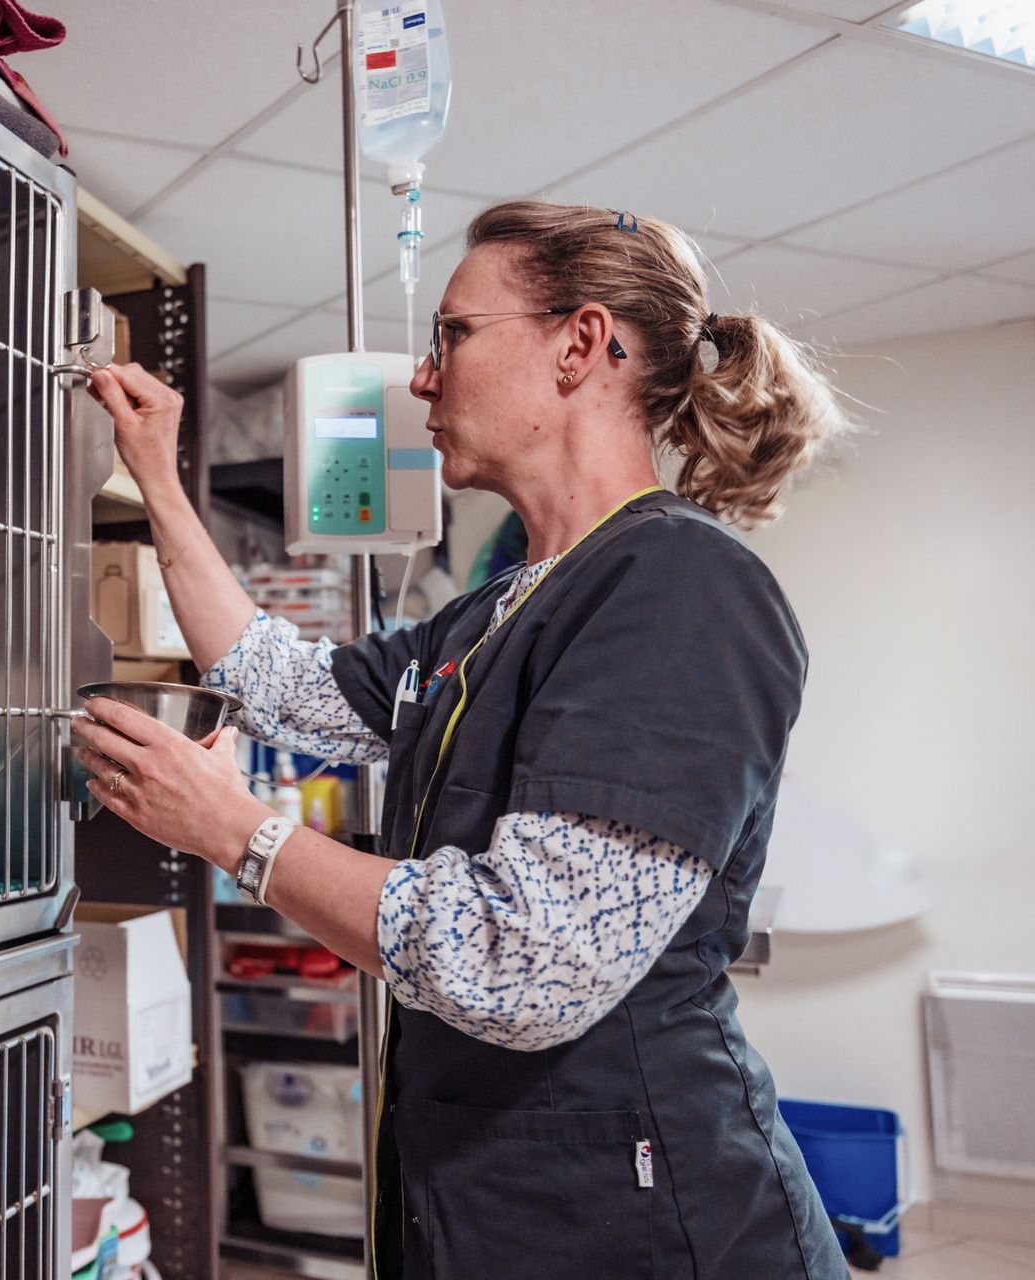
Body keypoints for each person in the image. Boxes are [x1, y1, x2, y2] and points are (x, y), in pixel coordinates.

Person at [72, 200, 853, 1280]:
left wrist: (238, 833)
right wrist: (157, 473)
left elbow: (520, 957)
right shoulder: (494, 610)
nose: (423, 379)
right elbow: (281, 685)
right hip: (489, 1201)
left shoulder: (681, 587)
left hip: (647, 1220)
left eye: (452, 336)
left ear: (580, 344)